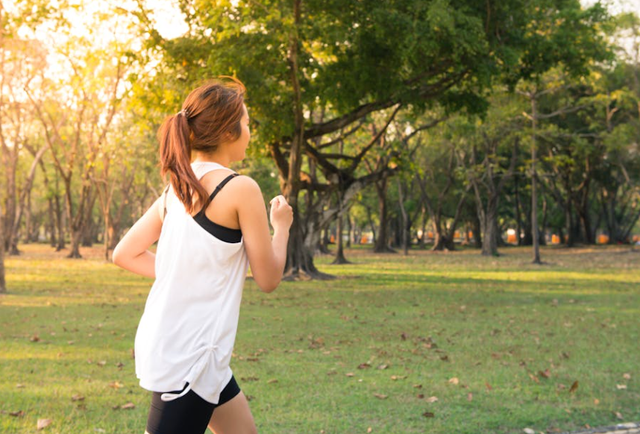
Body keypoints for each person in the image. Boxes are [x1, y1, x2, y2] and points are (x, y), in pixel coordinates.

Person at [112, 78, 293, 434]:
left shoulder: (176, 188)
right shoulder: (240, 188)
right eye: (246, 123)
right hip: (189, 359)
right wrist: (282, 227)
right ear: (228, 131)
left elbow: (125, 253)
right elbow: (269, 278)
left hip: (192, 351)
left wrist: (184, 274)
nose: (249, 132)